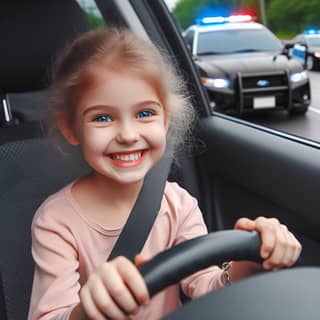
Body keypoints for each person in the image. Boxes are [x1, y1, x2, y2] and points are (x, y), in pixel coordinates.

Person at [28, 28, 302, 320]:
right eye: (103, 118)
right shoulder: (57, 221)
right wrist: (88, 309)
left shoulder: (178, 205)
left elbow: (205, 287)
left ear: (166, 118)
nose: (128, 135)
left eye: (145, 113)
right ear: (70, 128)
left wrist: (251, 260)